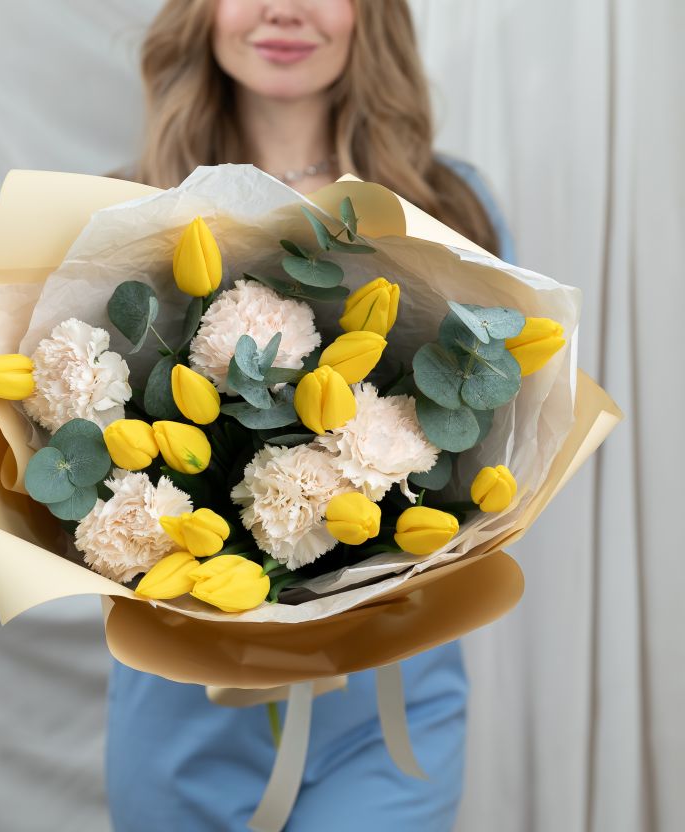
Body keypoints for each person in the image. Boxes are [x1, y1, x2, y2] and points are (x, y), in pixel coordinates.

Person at [107, 2, 515, 830]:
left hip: (390, 697)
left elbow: (498, 448)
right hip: (186, 698)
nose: (283, 9)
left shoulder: (450, 205)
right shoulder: (124, 213)